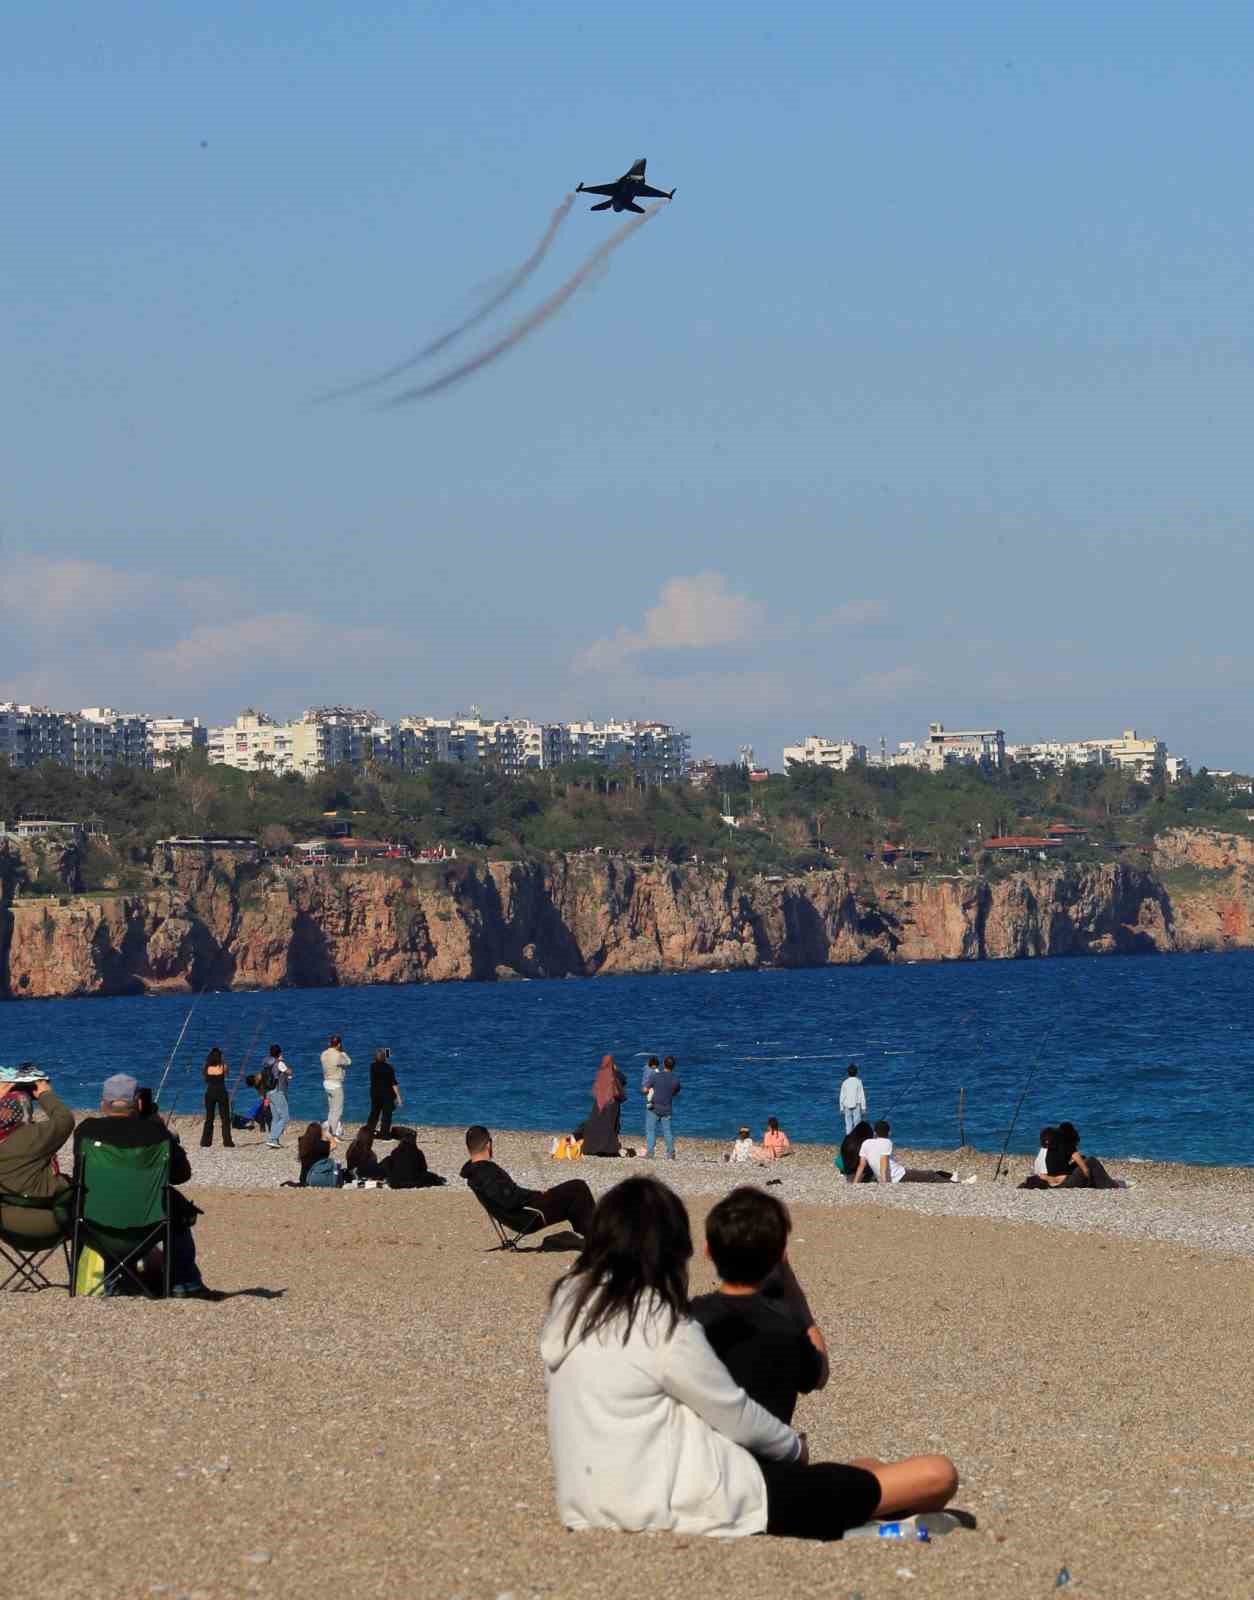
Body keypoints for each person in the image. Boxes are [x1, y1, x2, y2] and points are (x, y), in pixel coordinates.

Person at [540, 1175, 958, 1540]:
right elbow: (734, 1413)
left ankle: (850, 1491)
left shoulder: (572, 1308)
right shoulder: (661, 1325)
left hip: (588, 1502)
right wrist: (795, 1448)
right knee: (938, 1475)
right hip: (703, 1498)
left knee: (859, 1473)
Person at [690, 1186, 828, 1425]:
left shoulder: (688, 1319)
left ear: (708, 1251)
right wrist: (800, 1310)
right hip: (769, 1460)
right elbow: (820, 1375)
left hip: (700, 1457)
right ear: (778, 1256)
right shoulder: (785, 1329)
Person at [74, 1073, 213, 1298]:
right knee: (177, 1207)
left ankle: (104, 1280)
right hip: (148, 1226)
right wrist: (157, 1124)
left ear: (103, 1103)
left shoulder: (86, 1131)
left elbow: (81, 1176)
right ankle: (184, 1282)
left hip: (94, 1225)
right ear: (138, 1102)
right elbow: (181, 1175)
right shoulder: (157, 1134)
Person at [461, 1125, 596, 1237]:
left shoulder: (473, 1172)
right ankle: (596, 1236)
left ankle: (588, 1232)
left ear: (468, 1147)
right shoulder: (486, 1172)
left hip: (517, 1215)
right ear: (489, 1144)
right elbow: (511, 1199)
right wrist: (536, 1195)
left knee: (571, 1196)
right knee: (578, 1187)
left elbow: (506, 1196)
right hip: (528, 1216)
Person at [0, 1068, 74, 1239]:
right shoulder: (32, 1137)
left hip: (6, 1227)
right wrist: (45, 1093)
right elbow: (64, 1119)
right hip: (49, 1225)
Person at [853, 1121, 953, 1185]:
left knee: (924, 1174)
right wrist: (884, 1185)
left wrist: (855, 1184)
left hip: (894, 1174)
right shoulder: (887, 1142)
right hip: (898, 1175)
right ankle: (955, 1184)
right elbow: (884, 1164)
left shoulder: (866, 1143)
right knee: (930, 1174)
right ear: (889, 1133)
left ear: (875, 1132)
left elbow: (861, 1165)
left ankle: (949, 1177)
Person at [1040, 1122, 1122, 1189]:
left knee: (1082, 1159)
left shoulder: (1054, 1145)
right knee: (1091, 1161)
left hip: (1056, 1182)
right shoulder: (1066, 1143)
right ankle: (1112, 1185)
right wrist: (1088, 1177)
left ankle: (1101, 1182)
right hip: (1066, 1182)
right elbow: (1085, 1169)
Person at [576, 1054, 627, 1157]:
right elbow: (624, 1080)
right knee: (611, 1126)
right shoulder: (615, 1074)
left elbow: (597, 1088)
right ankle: (609, 1149)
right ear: (612, 1063)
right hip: (612, 1103)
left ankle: (595, 1147)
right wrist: (616, 1070)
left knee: (598, 1125)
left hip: (599, 1103)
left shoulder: (600, 1074)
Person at [380, 1129, 446, 1189]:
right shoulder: (418, 1152)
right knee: (431, 1176)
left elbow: (390, 1166)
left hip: (397, 1182)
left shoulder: (396, 1151)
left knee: (387, 1160)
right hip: (413, 1180)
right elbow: (423, 1169)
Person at [644, 1055, 680, 1160]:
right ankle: (670, 1153)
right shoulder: (675, 1080)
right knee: (667, 1131)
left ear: (664, 1064)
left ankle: (650, 1152)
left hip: (654, 1108)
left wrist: (644, 1091)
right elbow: (675, 1092)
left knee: (650, 1130)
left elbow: (646, 1089)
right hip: (667, 1108)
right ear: (673, 1066)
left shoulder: (655, 1076)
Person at [200, 1047, 233, 1149]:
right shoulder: (223, 1066)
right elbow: (227, 1074)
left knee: (209, 1118)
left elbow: (205, 1079)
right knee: (225, 1118)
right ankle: (227, 1142)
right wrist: (223, 1062)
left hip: (210, 1093)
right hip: (221, 1093)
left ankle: (205, 1142)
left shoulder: (206, 1067)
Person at [365, 1048, 401, 1139]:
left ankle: (369, 1132)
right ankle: (384, 1134)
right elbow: (393, 1083)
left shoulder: (372, 1066)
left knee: (374, 1113)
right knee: (387, 1115)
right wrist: (398, 1097)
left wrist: (384, 1058)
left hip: (375, 1093)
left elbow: (380, 1063)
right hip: (387, 1094)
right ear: (385, 1057)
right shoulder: (389, 1068)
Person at [263, 1044, 293, 1150]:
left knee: (276, 1117)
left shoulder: (266, 1062)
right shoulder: (279, 1063)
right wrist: (282, 1061)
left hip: (268, 1092)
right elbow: (289, 1072)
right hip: (277, 1091)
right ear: (279, 1053)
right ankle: (272, 1138)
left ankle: (274, 1141)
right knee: (285, 1117)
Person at [839, 1065, 867, 1136]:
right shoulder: (858, 1081)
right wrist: (863, 1107)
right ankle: (857, 1139)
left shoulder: (845, 1082)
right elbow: (861, 1095)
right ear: (856, 1072)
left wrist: (841, 1107)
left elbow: (842, 1096)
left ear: (848, 1073)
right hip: (856, 1105)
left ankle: (848, 1139)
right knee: (857, 1124)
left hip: (846, 1105)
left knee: (848, 1125)